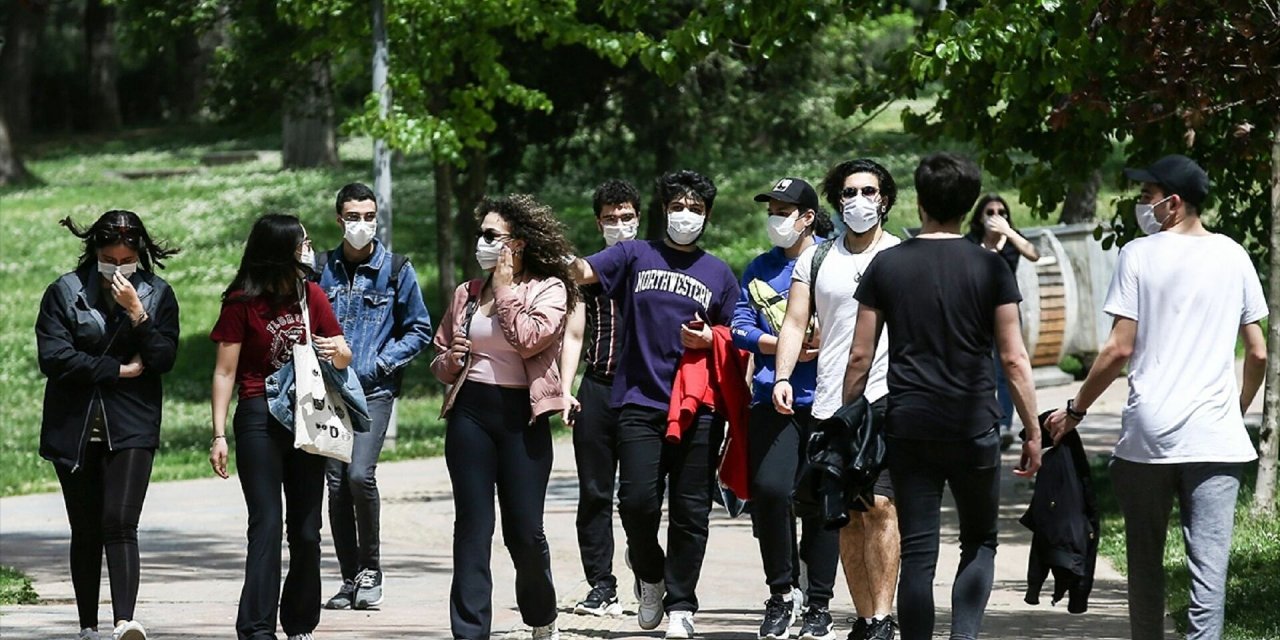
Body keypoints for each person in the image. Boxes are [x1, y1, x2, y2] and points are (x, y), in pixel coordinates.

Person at [1046, 154, 1266, 640]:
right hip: (1216, 438)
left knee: (1144, 562)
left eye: (1146, 196)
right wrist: (1235, 409)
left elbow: (1119, 347)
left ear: (1173, 203)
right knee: (1209, 571)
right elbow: (1258, 353)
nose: (1139, 205)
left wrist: (1076, 409)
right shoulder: (1234, 254)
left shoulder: (1138, 254)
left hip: (1149, 436)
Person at [842, 153, 1042, 640]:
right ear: (970, 203)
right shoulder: (991, 267)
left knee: (918, 552)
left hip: (910, 424)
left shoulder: (887, 265)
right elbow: (1014, 360)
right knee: (979, 542)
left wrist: (850, 423)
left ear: (919, 199)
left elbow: (859, 358)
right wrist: (1033, 430)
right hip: (974, 423)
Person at [569, 170, 739, 639]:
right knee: (637, 502)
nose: (686, 216)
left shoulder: (719, 273)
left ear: (707, 216)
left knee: (690, 511)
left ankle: (682, 603)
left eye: (696, 209)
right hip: (639, 400)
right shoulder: (635, 254)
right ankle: (651, 574)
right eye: (678, 206)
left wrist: (711, 338)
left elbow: (735, 336)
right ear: (664, 211)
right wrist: (537, 245)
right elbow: (582, 271)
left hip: (698, 407)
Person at [430, 194, 577, 640]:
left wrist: (507, 287)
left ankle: (540, 612)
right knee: (472, 527)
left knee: (524, 532)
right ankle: (470, 630)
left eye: (493, 236)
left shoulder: (549, 289)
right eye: (482, 234)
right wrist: (451, 361)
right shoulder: (467, 293)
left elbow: (529, 339)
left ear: (519, 244)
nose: (483, 243)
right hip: (470, 413)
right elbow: (438, 359)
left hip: (521, 418)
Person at [773, 160, 904, 640]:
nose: (859, 201)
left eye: (869, 191)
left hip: (885, 399)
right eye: (849, 193)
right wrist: (783, 376)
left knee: (883, 506)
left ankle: (886, 617)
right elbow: (793, 322)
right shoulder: (816, 258)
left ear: (885, 199)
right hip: (830, 406)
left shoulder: (900, 255)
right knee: (845, 515)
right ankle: (867, 617)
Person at [37, 211, 180, 640]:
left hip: (132, 422)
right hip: (74, 423)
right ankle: (87, 626)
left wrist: (137, 313)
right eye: (109, 259)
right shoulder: (64, 293)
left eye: (126, 260)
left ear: (139, 255)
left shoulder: (157, 294)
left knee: (119, 521)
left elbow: (163, 359)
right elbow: (55, 358)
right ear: (94, 251)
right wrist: (115, 371)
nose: (118, 269)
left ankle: (124, 621)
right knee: (85, 528)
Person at [209, 214, 352, 640]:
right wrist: (218, 434)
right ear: (279, 251)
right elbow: (224, 371)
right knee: (267, 523)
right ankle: (256, 628)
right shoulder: (240, 302)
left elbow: (342, 355)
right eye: (301, 242)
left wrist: (339, 351)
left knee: (307, 530)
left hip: (308, 417)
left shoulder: (312, 296)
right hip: (258, 416)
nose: (308, 248)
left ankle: (300, 621)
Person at [731, 177, 839, 640]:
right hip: (771, 398)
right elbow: (738, 325)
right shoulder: (759, 268)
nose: (776, 218)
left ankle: (819, 604)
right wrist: (777, 345)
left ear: (808, 217)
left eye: (784, 210)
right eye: (771, 210)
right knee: (771, 493)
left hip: (828, 402)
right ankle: (782, 592)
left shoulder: (834, 264)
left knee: (820, 504)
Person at [317, 183, 433, 611]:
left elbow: (419, 328)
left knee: (358, 476)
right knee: (334, 485)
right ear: (339, 220)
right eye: (353, 216)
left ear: (377, 218)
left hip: (374, 390)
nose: (361, 224)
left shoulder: (396, 269)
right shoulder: (321, 269)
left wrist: (379, 364)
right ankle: (349, 578)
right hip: (328, 394)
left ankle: (371, 568)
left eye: (368, 216)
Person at [560, 179, 641, 616]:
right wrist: (566, 387)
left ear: (639, 219)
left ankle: (645, 563)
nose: (618, 224)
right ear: (598, 222)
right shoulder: (586, 274)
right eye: (610, 219)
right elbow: (575, 332)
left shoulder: (653, 265)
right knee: (594, 491)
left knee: (639, 494)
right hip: (598, 385)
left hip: (644, 393)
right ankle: (601, 584)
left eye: (626, 217)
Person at [964, 194, 1039, 449]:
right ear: (979, 217)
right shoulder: (972, 242)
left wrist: (1009, 232)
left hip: (1005, 312)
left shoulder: (1011, 240)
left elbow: (1033, 254)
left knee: (1006, 369)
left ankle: (1005, 424)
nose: (995, 216)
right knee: (976, 367)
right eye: (989, 212)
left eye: (1001, 212)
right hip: (975, 311)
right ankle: (978, 422)